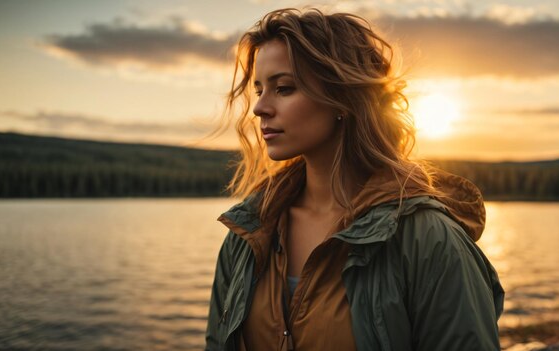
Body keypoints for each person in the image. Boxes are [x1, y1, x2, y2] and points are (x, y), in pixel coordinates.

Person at [205, 8, 504, 351]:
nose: (260, 108)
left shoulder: (428, 241)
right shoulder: (248, 234)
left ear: (342, 97)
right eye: (259, 90)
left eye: (284, 88)